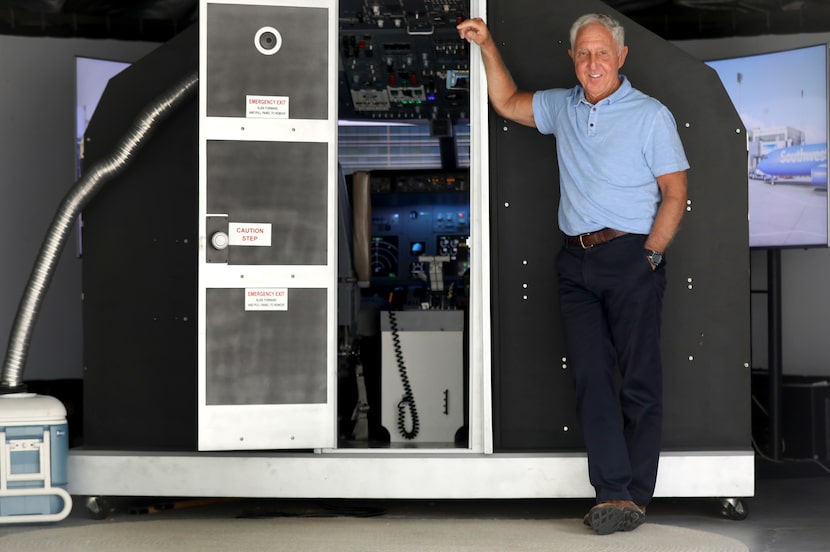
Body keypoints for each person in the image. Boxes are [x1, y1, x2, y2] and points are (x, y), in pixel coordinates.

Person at [457, 13, 689, 535]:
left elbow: (676, 193)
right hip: (575, 263)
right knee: (591, 382)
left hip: (632, 256)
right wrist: (489, 44)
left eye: (602, 52)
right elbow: (507, 102)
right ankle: (613, 494)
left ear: (621, 57)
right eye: (583, 53)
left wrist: (649, 256)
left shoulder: (651, 115)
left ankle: (636, 494)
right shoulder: (563, 106)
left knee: (639, 383)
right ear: (572, 59)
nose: (592, 62)